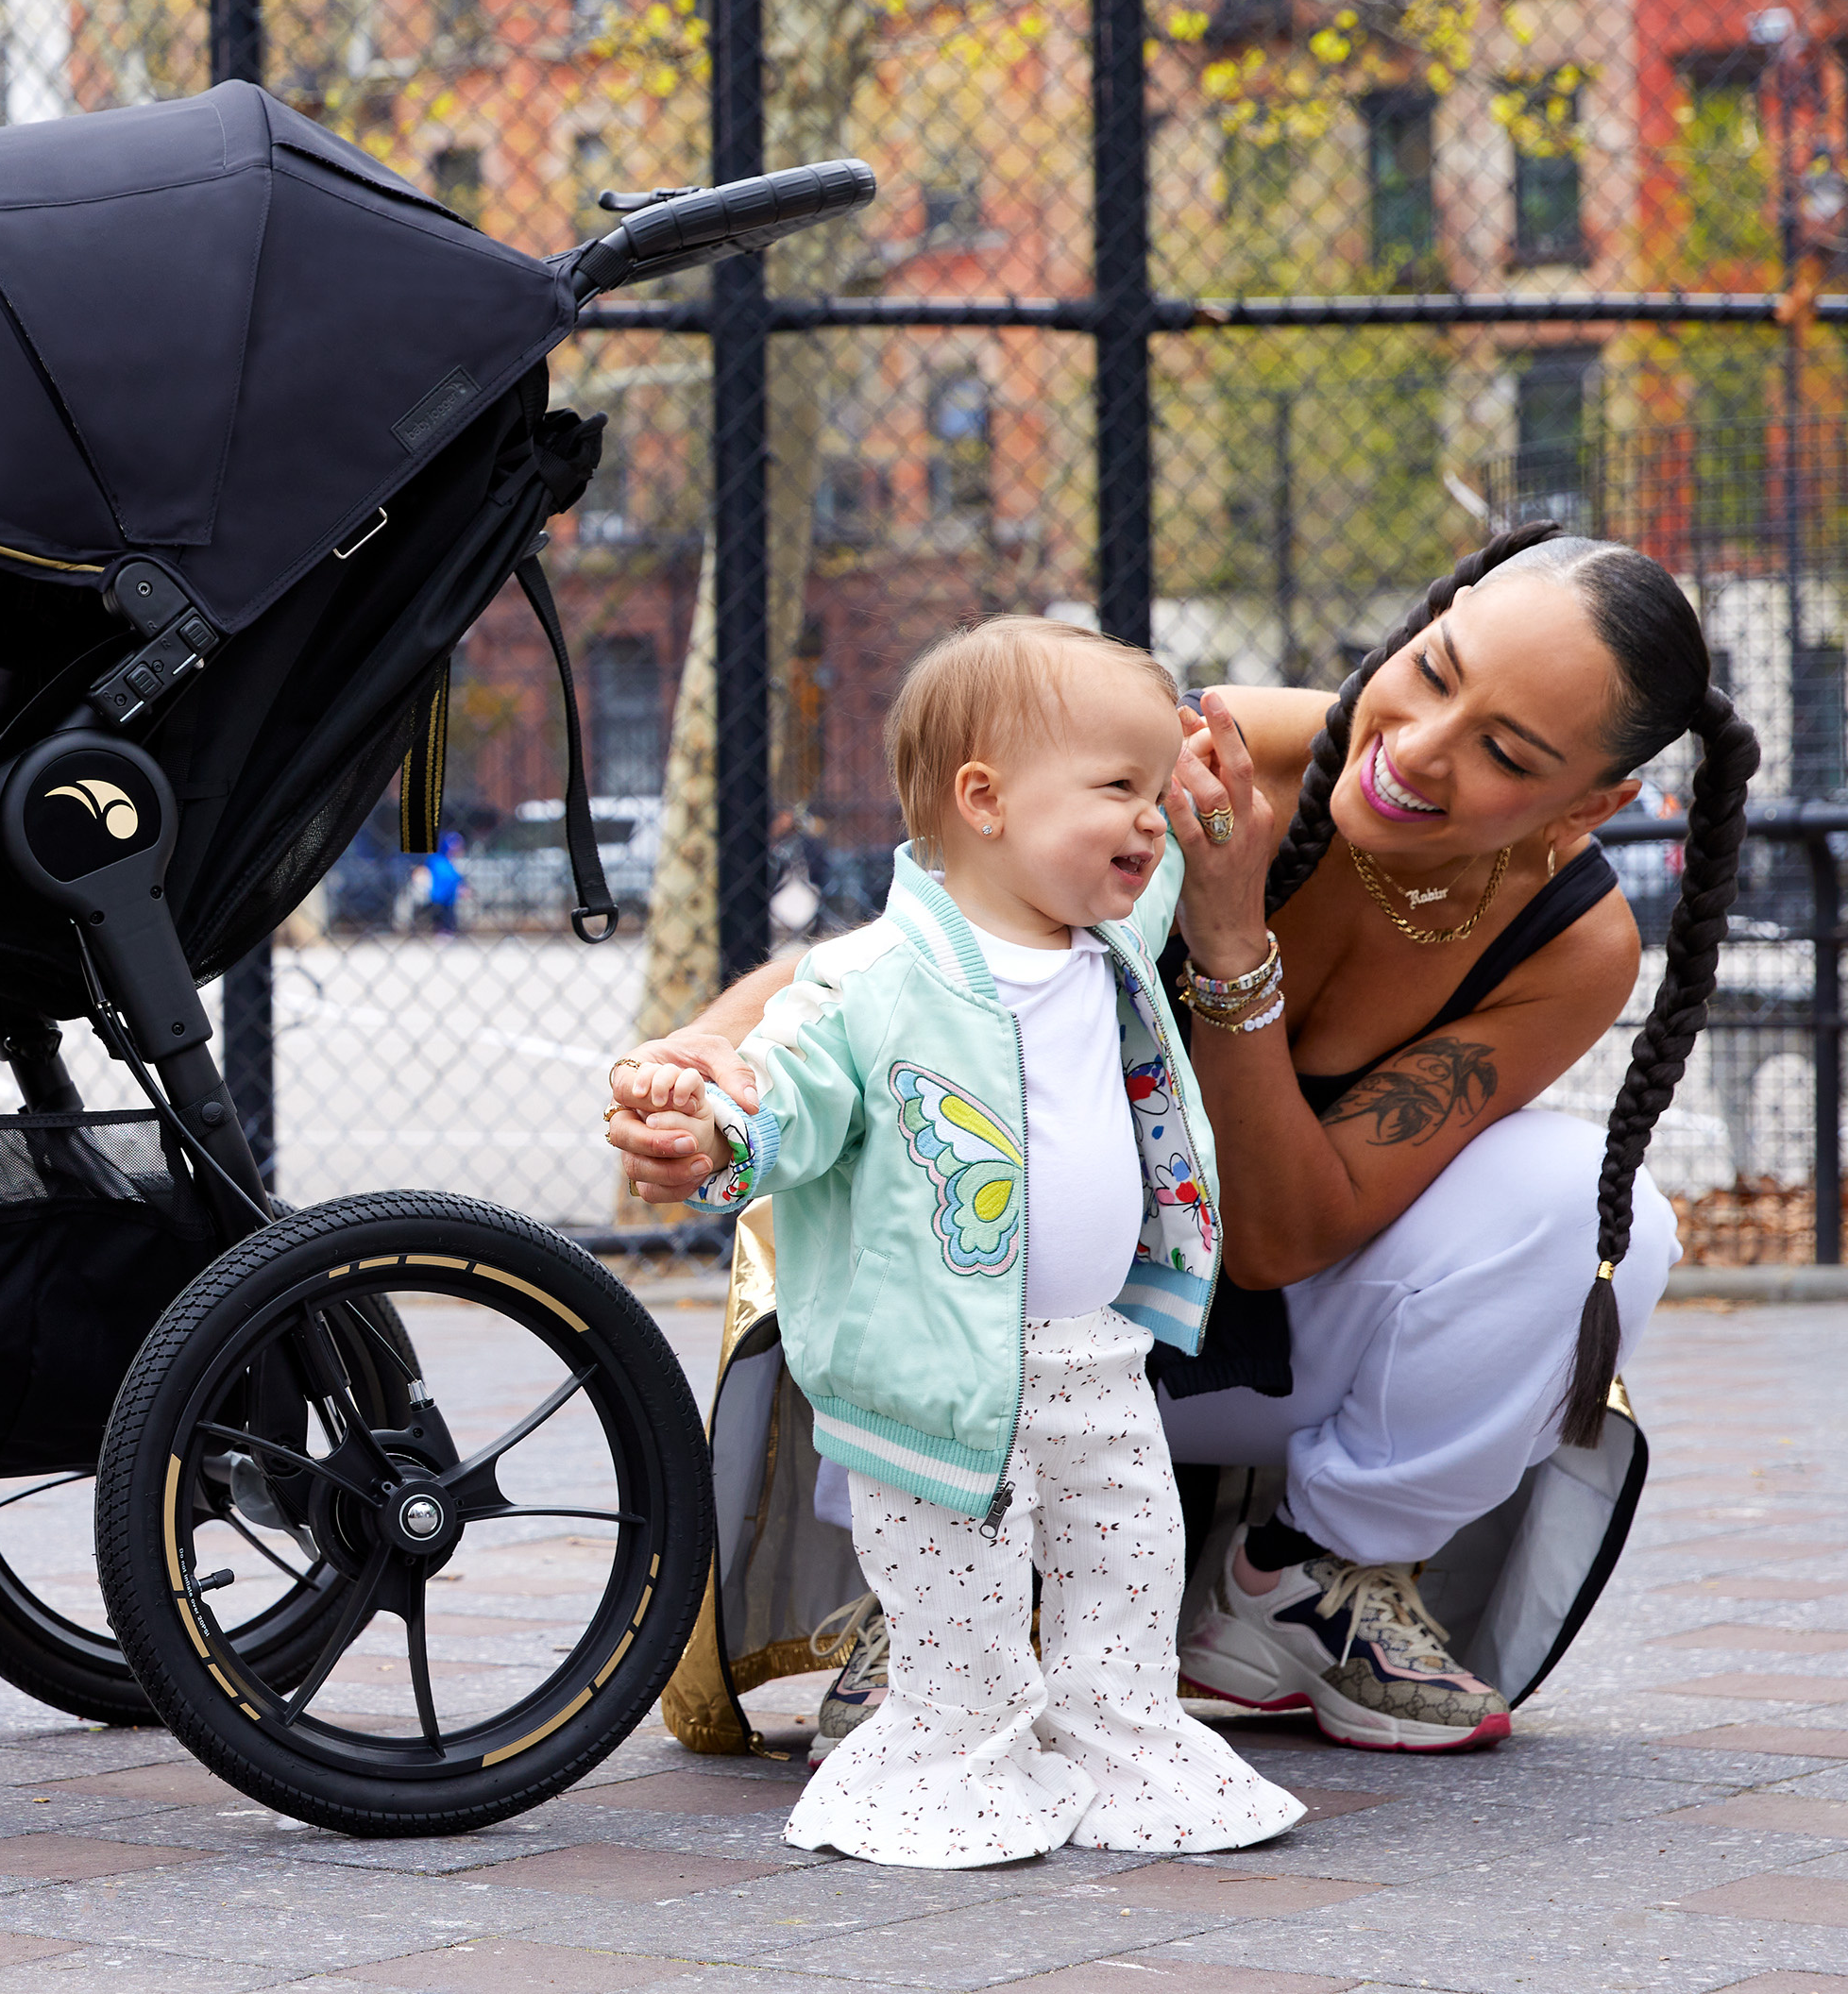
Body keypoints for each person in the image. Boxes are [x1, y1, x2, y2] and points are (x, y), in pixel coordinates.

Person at [612, 529, 1754, 1755]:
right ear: (1428, 621)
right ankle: (955, 1588)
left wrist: (1229, 946)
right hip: (983, 1329)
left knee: (1596, 1208)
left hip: (1243, 1360)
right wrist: (708, 1062)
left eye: (1505, 753)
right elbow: (908, 970)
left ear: (1591, 805)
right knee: (965, 1121)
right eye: (1433, 670)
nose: (1419, 747)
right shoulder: (1199, 751)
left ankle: (1303, 1583)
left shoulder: (1572, 943)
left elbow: (1276, 1241)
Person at [638, 615, 1303, 1867]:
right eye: (1117, 787)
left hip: (1097, 1354)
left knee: (1131, 1562)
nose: (1151, 818)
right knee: (961, 1601)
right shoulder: (870, 979)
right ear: (985, 800)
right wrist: (714, 1131)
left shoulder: (1111, 932)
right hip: (939, 1380)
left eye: (1156, 788)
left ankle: (1118, 1742)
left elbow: (1201, 794)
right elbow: (787, 1101)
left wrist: (1206, 757)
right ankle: (956, 1758)